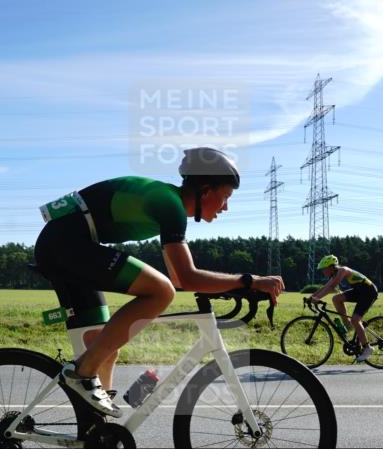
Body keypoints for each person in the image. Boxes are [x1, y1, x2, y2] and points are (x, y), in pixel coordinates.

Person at [34, 147, 285, 417]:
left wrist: (240, 284)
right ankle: (82, 373)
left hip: (67, 244)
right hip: (66, 245)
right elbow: (184, 278)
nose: (226, 207)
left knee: (103, 349)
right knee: (160, 291)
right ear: (206, 190)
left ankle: (97, 437)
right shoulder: (170, 204)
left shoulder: (168, 202)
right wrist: (249, 281)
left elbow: (182, 277)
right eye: (225, 197)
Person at [308, 255, 378, 362]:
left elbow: (331, 287)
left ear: (331, 267)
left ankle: (367, 348)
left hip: (368, 291)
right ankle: (347, 325)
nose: (323, 271)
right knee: (336, 299)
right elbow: (325, 287)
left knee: (356, 319)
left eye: (324, 269)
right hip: (359, 291)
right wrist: (311, 297)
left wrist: (317, 298)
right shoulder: (335, 274)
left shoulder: (343, 270)